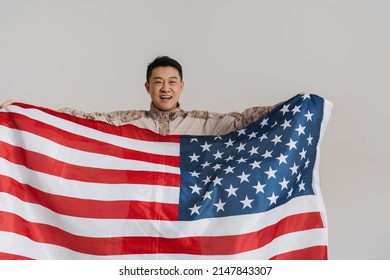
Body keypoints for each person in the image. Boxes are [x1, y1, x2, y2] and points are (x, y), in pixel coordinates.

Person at [1, 56, 281, 136]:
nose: (165, 88)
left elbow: (243, 119)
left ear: (182, 86)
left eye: (172, 82)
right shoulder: (127, 121)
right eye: (158, 82)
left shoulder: (204, 122)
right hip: (138, 215)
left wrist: (291, 107)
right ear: (147, 87)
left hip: (186, 216)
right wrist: (30, 112)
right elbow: (81, 119)